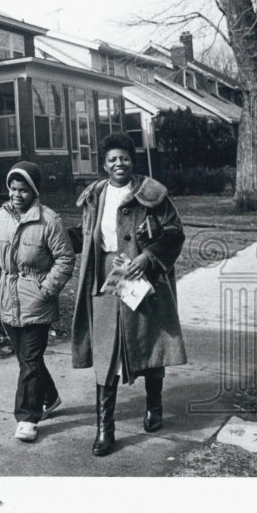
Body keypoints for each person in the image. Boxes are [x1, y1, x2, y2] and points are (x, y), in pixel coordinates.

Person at [70, 132, 187, 456]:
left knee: (146, 344)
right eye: (112, 159)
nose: (118, 164)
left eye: (123, 158)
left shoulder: (151, 193)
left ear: (131, 160)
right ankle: (104, 430)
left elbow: (175, 233)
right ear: (103, 164)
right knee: (106, 352)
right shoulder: (95, 195)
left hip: (143, 279)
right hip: (105, 278)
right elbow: (84, 236)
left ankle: (154, 406)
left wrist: (147, 257)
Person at [0, 161, 75, 443]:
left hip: (37, 302)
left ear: (34, 191)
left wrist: (46, 290)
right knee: (27, 360)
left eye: (23, 190)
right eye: (12, 189)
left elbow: (65, 258)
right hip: (7, 300)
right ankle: (51, 396)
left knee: (31, 361)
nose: (16, 195)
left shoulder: (49, 221)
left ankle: (27, 418)